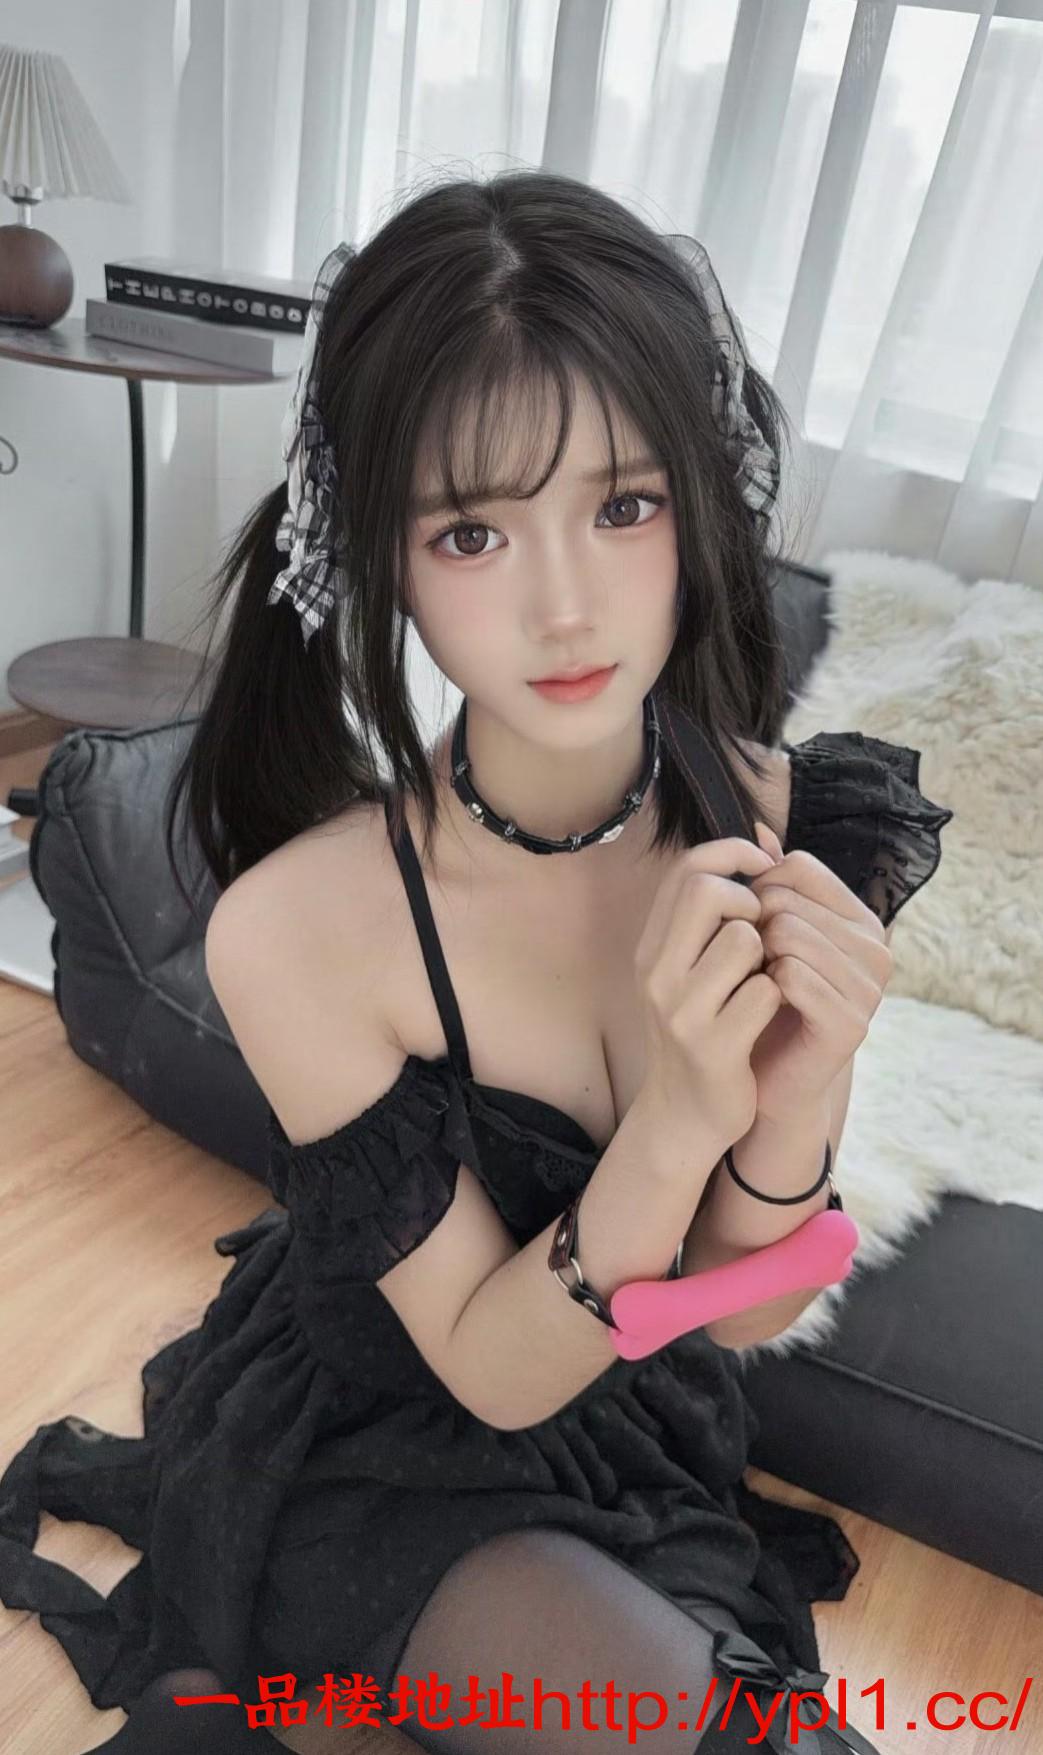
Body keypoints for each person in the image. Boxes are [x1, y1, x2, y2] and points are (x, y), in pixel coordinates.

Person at [0, 169, 953, 1753]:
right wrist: (674, 1120)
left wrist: (798, 1088)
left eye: (623, 507)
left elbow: (734, 1313)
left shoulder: (794, 821)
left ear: (697, 504)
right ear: (382, 556)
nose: (566, 604)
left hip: (631, 1418)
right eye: (472, 531)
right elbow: (491, 1375)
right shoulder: (303, 929)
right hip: (383, 1445)